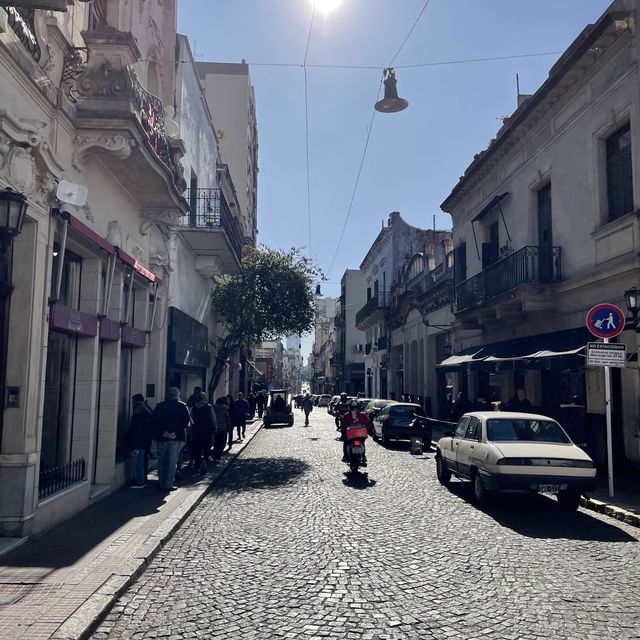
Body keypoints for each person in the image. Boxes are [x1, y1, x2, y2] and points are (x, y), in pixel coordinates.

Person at [152, 387, 190, 491]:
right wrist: (175, 433)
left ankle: (161, 482)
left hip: (162, 437)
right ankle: (168, 484)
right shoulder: (182, 406)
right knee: (172, 462)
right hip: (176, 438)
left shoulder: (159, 406)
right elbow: (186, 422)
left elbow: (154, 422)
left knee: (162, 461)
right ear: (177, 395)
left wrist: (164, 433)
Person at [127, 394, 152, 488]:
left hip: (138, 443)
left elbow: (136, 431)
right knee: (141, 462)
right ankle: (141, 480)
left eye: (133, 401)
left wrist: (134, 445)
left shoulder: (138, 416)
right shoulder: (147, 413)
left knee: (138, 463)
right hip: (144, 443)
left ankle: (139, 481)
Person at [191, 392, 217, 473]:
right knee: (207, 447)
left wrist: (190, 431)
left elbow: (191, 420)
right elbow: (213, 419)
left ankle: (198, 464)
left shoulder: (193, 408)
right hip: (207, 431)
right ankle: (205, 460)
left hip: (196, 431)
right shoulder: (209, 407)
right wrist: (215, 428)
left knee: (197, 448)